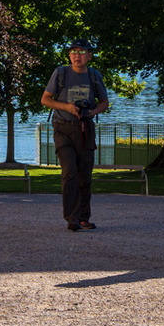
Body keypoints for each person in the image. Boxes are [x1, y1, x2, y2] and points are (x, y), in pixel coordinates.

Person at [39, 38, 110, 231]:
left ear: (89, 55)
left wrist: (92, 112)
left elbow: (104, 102)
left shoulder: (94, 76)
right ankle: (72, 218)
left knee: (84, 175)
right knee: (69, 172)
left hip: (85, 129)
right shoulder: (60, 73)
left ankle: (84, 217)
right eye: (73, 52)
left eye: (81, 52)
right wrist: (67, 107)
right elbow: (45, 99)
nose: (77, 56)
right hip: (63, 128)